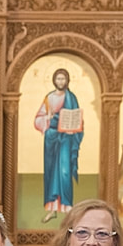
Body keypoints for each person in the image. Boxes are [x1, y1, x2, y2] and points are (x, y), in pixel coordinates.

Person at [33, 68, 84, 223]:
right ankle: (52, 208)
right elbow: (38, 119)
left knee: (64, 171)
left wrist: (74, 129)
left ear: (67, 80)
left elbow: (77, 118)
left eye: (63, 79)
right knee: (51, 173)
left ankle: (67, 206)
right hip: (51, 138)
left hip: (66, 138)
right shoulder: (49, 98)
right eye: (58, 79)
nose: (61, 82)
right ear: (54, 80)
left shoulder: (71, 98)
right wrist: (47, 119)